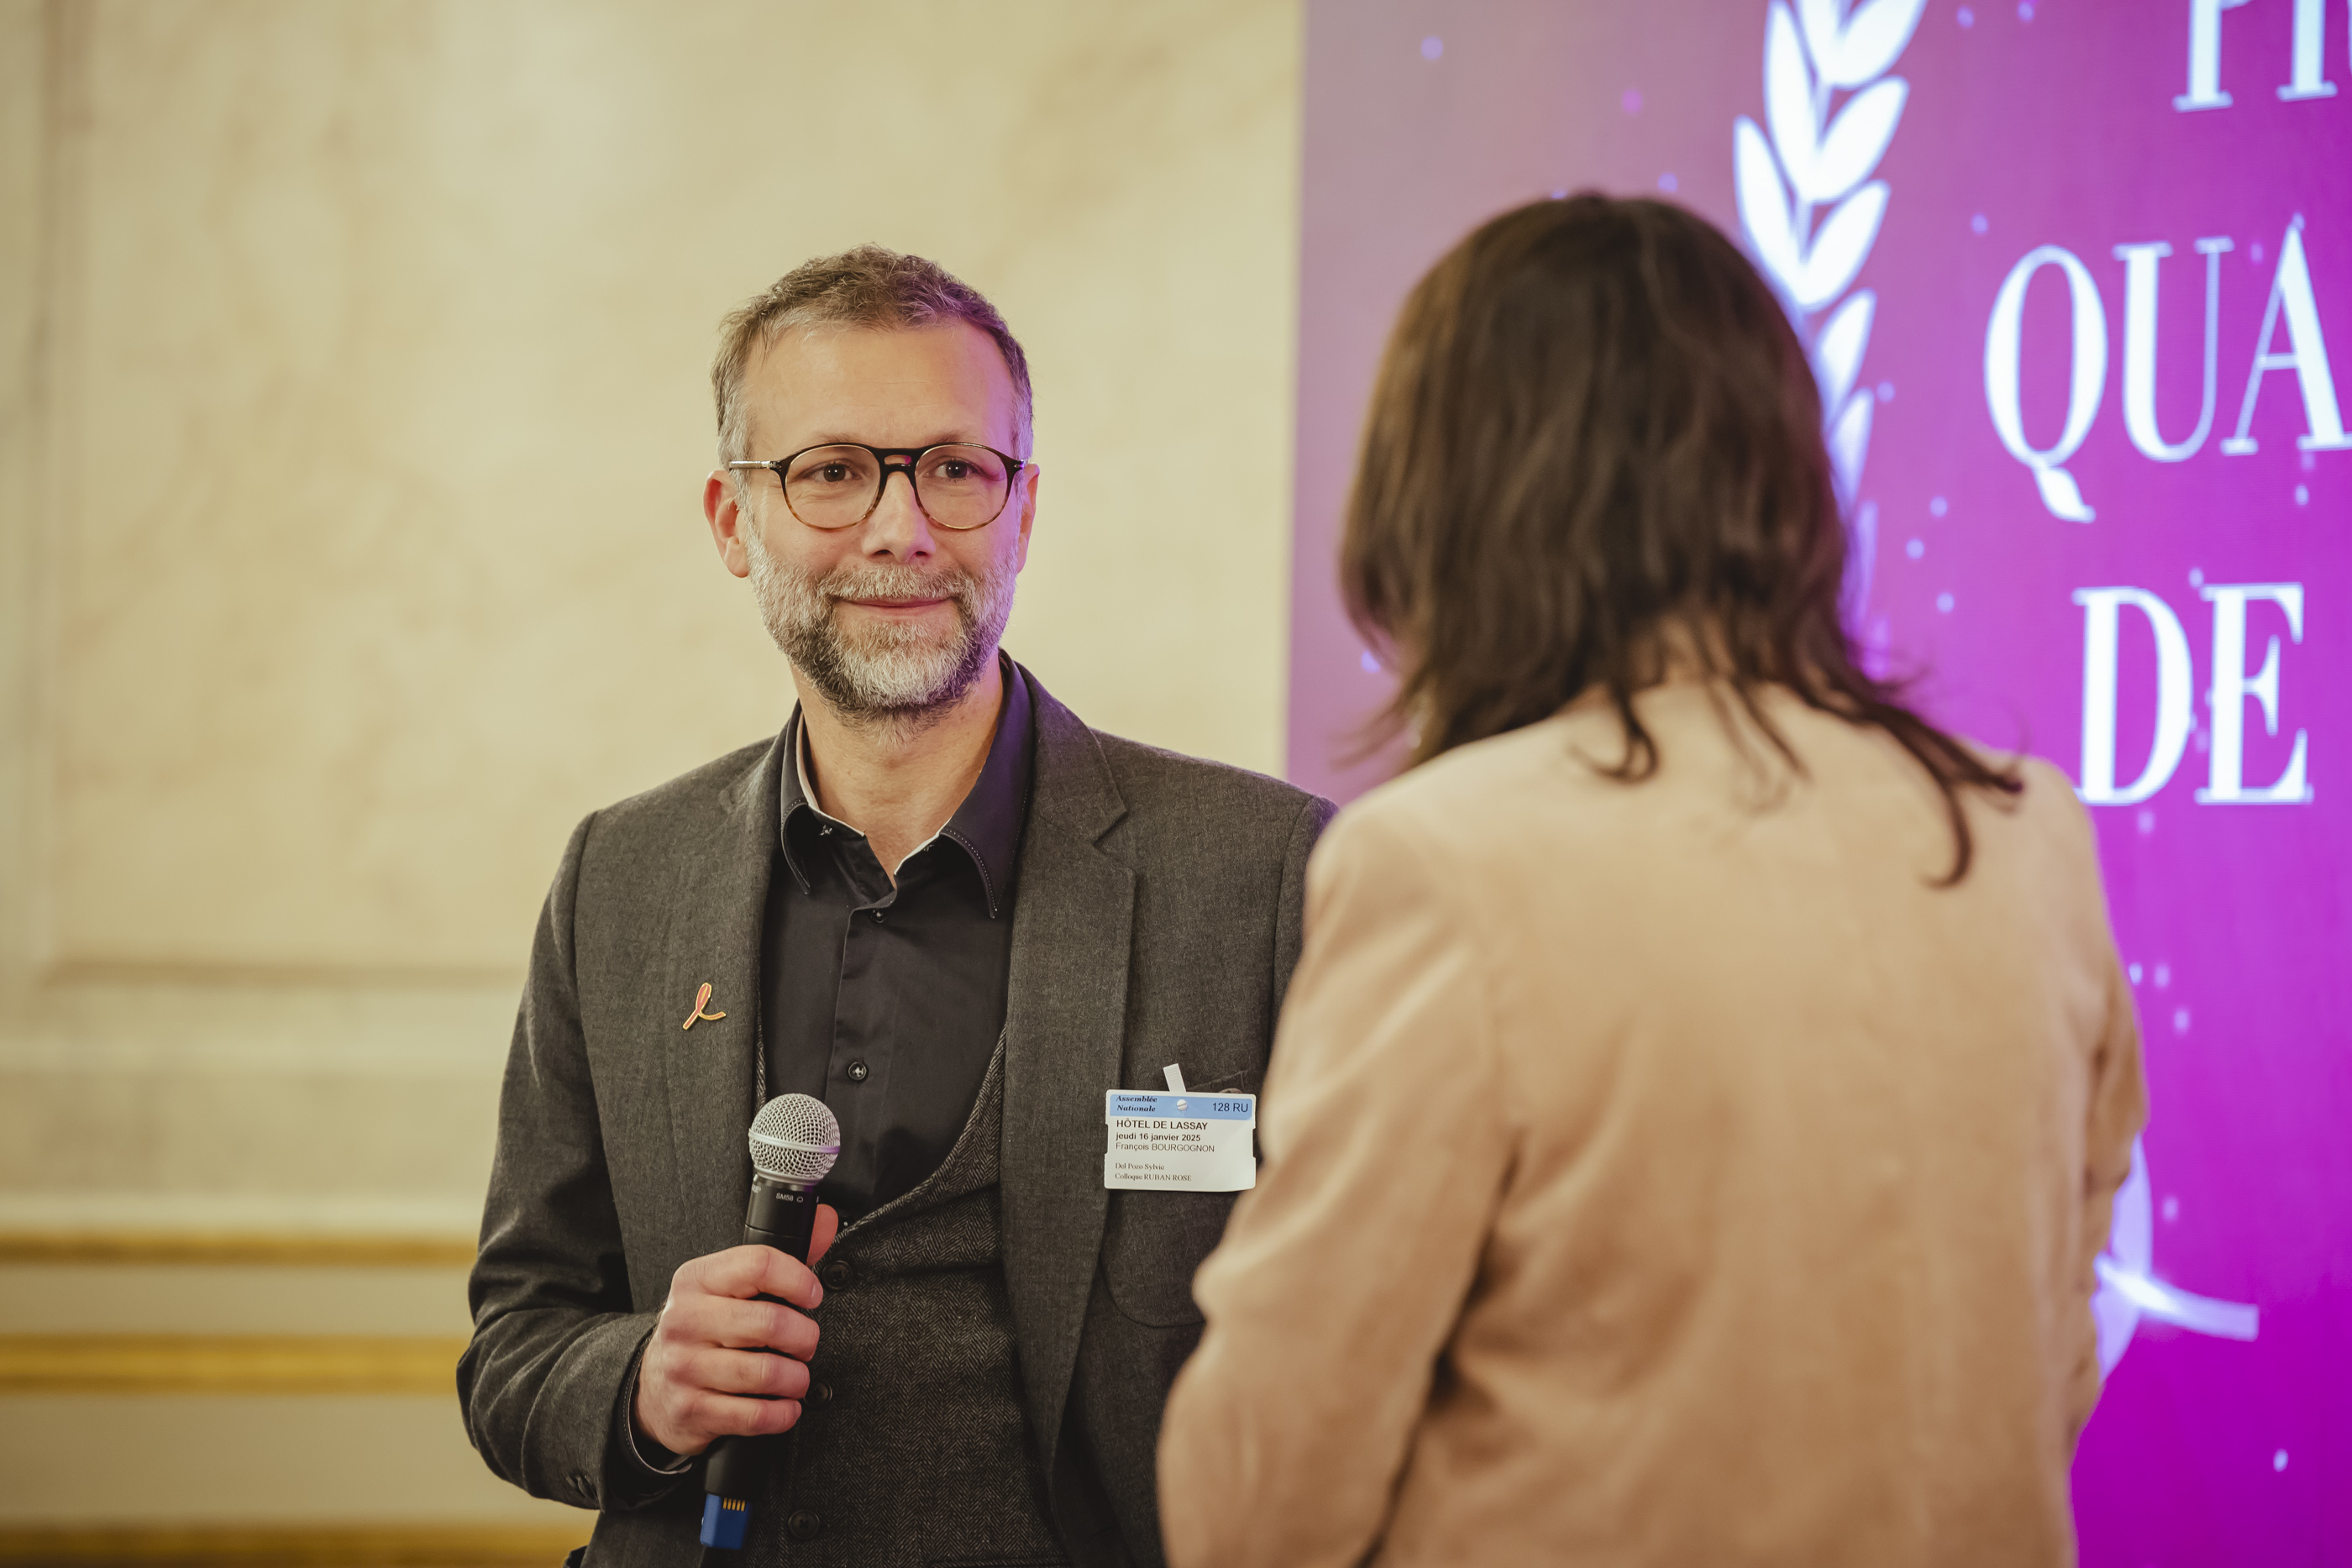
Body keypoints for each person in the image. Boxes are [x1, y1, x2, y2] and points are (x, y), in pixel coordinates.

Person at [1156, 196, 2147, 1567]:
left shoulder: (1445, 859)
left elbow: (1263, 1496)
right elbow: (2053, 1354)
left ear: (1445, 493)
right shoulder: (2024, 830)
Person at [459, 245, 1332, 1568]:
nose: (898, 528)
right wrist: (641, 1382)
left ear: (1023, 511)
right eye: (830, 470)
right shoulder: (618, 885)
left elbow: (1368, 1345)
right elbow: (516, 1347)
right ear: (730, 522)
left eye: (955, 469)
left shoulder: (1263, 877)